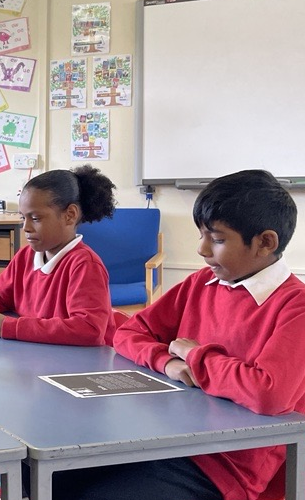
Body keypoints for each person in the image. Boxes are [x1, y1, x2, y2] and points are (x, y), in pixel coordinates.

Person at [77, 169, 305, 500]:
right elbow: (128, 332)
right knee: (58, 477)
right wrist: (166, 361)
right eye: (201, 235)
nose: (201, 249)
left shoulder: (295, 306)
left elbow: (268, 393)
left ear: (265, 242)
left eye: (218, 239)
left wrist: (196, 356)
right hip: (163, 436)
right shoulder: (202, 283)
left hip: (224, 465)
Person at [0, 165, 116, 346]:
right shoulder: (25, 256)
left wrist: (11, 327)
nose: (26, 228)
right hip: (36, 357)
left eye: (36, 218)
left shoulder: (85, 264)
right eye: (24, 218)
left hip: (78, 366)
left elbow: (88, 329)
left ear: (70, 215)